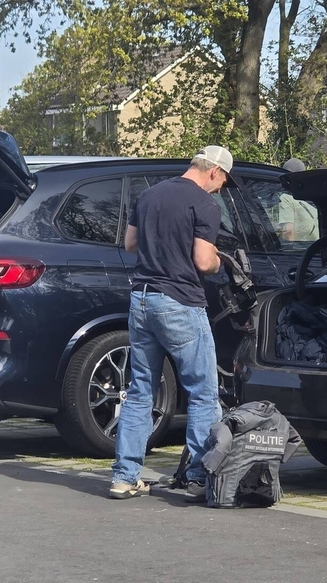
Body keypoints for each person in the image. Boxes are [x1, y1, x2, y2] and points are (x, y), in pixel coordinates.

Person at [110, 145, 230, 500]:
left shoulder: (149, 195)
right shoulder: (205, 204)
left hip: (142, 299)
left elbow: (130, 243)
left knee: (140, 391)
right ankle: (197, 477)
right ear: (213, 171)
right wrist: (220, 261)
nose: (220, 189)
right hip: (180, 302)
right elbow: (203, 261)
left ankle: (124, 477)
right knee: (203, 392)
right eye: (223, 180)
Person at [277, 158, 319, 243]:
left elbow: (288, 232)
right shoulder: (314, 199)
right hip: (317, 249)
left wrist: (290, 248)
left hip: (301, 250)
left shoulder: (286, 199)